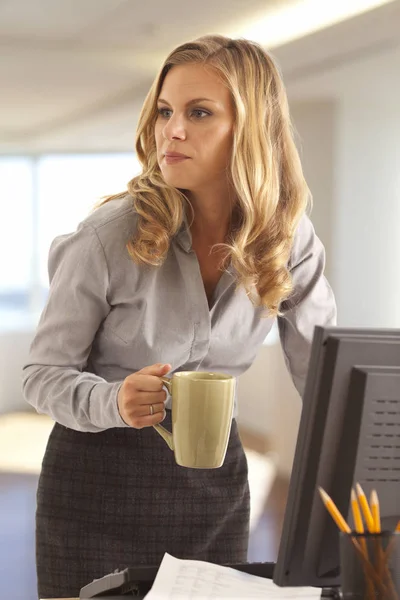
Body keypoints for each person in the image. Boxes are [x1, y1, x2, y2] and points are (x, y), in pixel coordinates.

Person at [22, 34, 336, 598]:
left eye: (199, 112)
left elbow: (328, 377)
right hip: (94, 486)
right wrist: (115, 400)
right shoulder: (107, 237)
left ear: (252, 130)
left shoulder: (288, 242)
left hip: (215, 489)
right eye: (165, 111)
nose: (173, 130)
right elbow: (42, 376)